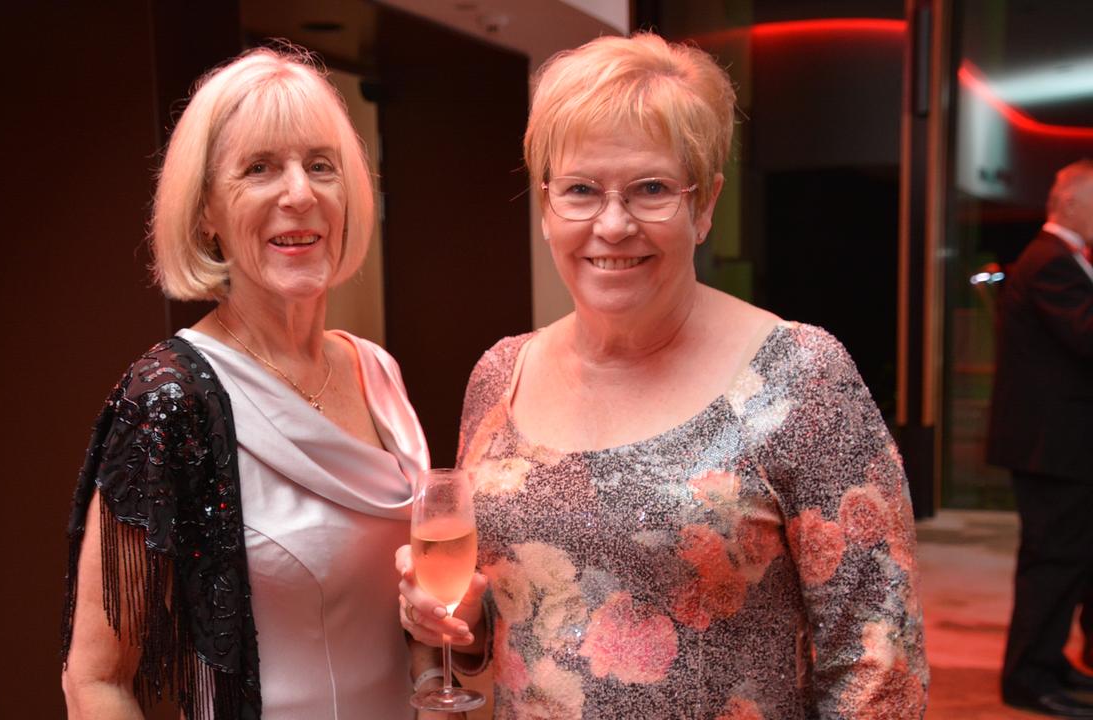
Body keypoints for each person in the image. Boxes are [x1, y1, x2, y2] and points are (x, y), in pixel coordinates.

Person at [396, 33, 928, 718]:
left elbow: (878, 665)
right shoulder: (500, 376)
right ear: (546, 205)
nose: (612, 225)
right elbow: (515, 633)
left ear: (704, 203)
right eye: (581, 191)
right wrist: (462, 623)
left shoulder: (802, 376)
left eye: (651, 189)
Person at [60, 46, 441, 719]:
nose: (299, 193)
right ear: (206, 211)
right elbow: (96, 679)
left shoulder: (375, 369)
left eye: (320, 166)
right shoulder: (167, 401)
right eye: (259, 169)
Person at [988, 159, 1093, 717]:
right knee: (1052, 562)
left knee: (1068, 560)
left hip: (1062, 445)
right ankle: (1029, 678)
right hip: (1051, 446)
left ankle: (1049, 665)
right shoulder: (1050, 260)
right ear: (1072, 202)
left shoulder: (1063, 258)